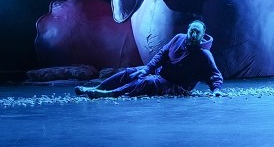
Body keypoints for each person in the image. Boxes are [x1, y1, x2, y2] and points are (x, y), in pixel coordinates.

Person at [75, 20, 224, 98]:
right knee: (131, 72)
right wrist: (147, 69)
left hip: (176, 85)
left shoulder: (204, 54)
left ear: (202, 35)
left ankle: (111, 93)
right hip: (161, 73)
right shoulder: (179, 38)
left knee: (147, 82)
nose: (193, 35)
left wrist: (216, 90)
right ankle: (98, 88)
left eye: (197, 32)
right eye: (192, 31)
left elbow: (214, 74)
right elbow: (161, 54)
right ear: (188, 30)